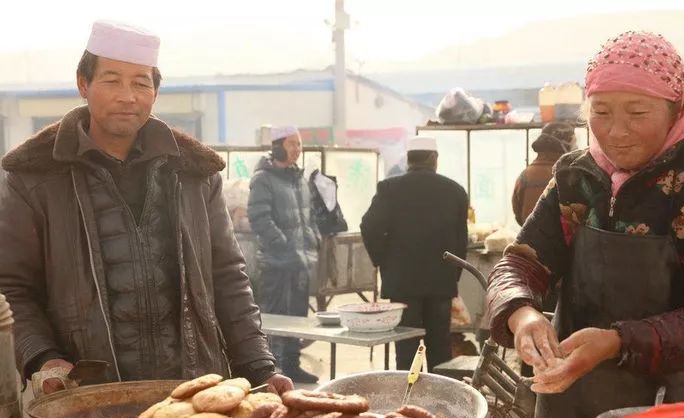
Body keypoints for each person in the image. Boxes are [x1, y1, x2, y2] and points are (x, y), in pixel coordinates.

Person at [0, 21, 291, 395]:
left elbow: (227, 276)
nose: (128, 96)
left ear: (155, 91)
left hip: (192, 394)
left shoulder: (194, 173)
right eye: (112, 80)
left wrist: (260, 367)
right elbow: (13, 287)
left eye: (140, 82)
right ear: (83, 84)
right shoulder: (34, 177)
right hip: (87, 396)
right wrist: (44, 358)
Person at [485, 31, 684, 418]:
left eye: (638, 112)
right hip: (571, 406)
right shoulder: (577, 176)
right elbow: (521, 260)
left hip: (676, 413)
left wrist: (616, 341)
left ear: (675, 108)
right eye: (602, 112)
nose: (616, 131)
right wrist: (523, 314)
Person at [361, 136, 469, 370]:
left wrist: (382, 260)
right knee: (440, 346)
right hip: (441, 282)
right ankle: (440, 398)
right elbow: (462, 239)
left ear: (409, 159)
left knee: (407, 346)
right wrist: (454, 274)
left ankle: (407, 398)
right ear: (433, 158)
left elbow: (369, 226)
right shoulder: (455, 191)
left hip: (402, 283)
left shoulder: (389, 188)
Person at [247, 126, 320, 384]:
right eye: (292, 144)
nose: (297, 150)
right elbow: (259, 218)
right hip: (277, 263)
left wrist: (313, 239)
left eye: (299, 144)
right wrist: (283, 245)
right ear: (277, 146)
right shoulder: (263, 179)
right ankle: (272, 371)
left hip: (300, 261)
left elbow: (307, 217)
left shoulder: (298, 178)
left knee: (297, 318)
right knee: (276, 319)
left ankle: (292, 365)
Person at [512, 122, 577, 226]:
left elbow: (518, 215)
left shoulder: (525, 176)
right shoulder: (570, 175)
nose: (576, 148)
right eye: (574, 143)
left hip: (530, 239)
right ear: (564, 145)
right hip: (563, 241)